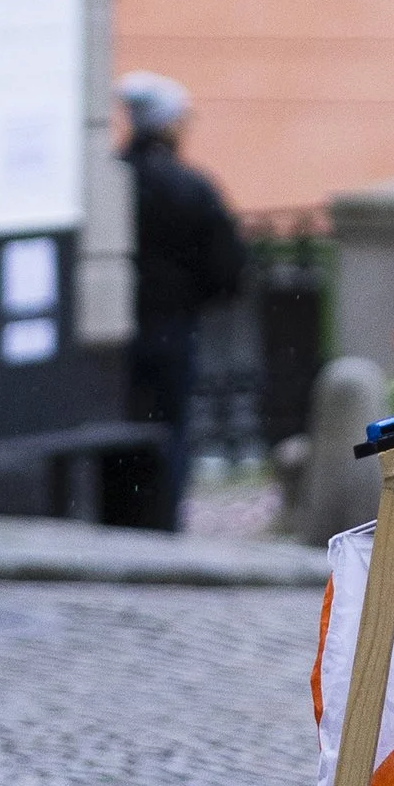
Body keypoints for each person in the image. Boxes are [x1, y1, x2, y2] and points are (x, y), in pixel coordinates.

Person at [114, 72, 247, 528]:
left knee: (123, 423)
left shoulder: (114, 179)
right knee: (171, 427)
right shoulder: (190, 186)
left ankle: (126, 514)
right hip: (173, 325)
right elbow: (228, 266)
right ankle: (163, 519)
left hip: (118, 331)